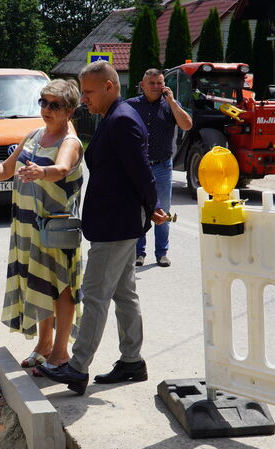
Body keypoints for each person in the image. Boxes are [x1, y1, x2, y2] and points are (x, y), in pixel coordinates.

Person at [38, 61, 166, 395]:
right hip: (118, 222)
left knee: (94, 296)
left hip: (117, 225)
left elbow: (142, 171)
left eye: (90, 92)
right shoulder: (114, 117)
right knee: (125, 294)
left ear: (110, 87)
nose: (84, 100)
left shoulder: (122, 120)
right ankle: (132, 361)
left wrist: (152, 207)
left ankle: (77, 368)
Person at [0, 79, 84, 373]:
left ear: (70, 111)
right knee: (38, 283)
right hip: (28, 227)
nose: (46, 109)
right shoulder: (34, 135)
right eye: (43, 102)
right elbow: (6, 170)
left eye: (54, 105)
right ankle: (44, 345)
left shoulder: (69, 142)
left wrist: (41, 171)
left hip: (54, 228)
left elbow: (61, 169)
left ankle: (60, 353)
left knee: (60, 286)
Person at [126, 68, 192, 268]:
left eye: (160, 83)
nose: (156, 86)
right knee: (139, 211)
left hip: (163, 166)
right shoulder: (131, 106)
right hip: (138, 167)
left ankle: (162, 253)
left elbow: (187, 125)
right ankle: (139, 252)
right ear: (143, 85)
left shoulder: (170, 106)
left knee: (162, 210)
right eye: (152, 83)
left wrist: (172, 101)